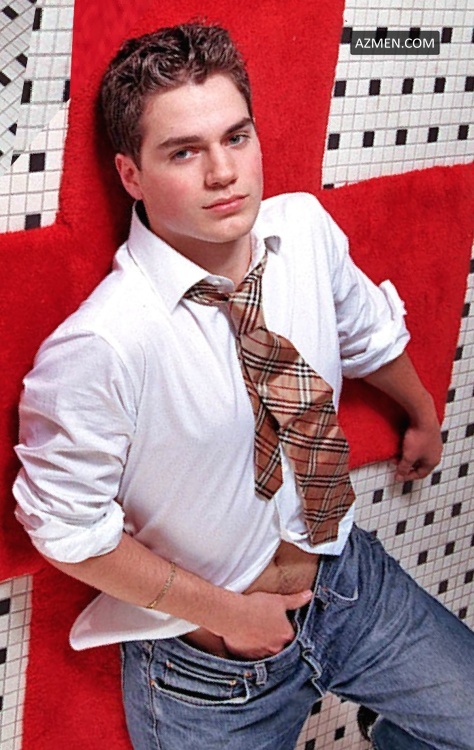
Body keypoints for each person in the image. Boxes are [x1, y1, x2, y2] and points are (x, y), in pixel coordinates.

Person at [13, 22, 473, 750]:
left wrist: (420, 411)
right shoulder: (100, 346)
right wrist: (230, 616)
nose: (224, 172)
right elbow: (67, 533)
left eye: (236, 137)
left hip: (347, 578)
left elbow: (366, 332)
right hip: (212, 660)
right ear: (131, 175)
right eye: (184, 152)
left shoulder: (305, 230)